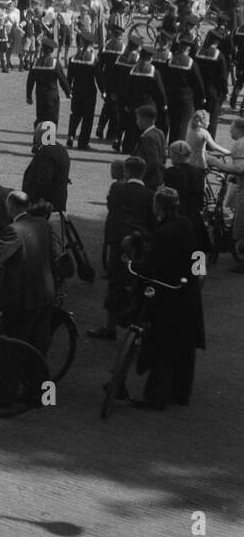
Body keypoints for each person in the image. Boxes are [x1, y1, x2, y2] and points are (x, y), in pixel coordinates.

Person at [0, 194, 59, 405]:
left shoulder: (14, 230)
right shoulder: (43, 224)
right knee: (38, 347)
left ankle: (4, 396)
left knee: (10, 347)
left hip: (21, 298)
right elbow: (51, 256)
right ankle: (44, 397)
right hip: (45, 294)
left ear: (11, 206)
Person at [127, 188, 203, 409]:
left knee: (161, 344)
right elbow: (197, 253)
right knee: (182, 345)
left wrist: (133, 265)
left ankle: (156, 397)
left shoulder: (164, 232)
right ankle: (179, 393)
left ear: (158, 206)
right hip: (187, 292)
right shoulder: (186, 223)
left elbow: (153, 266)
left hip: (168, 294)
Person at [93, 156, 152, 339]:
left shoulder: (117, 188)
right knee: (136, 283)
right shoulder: (150, 194)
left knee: (115, 282)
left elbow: (112, 208)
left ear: (126, 171)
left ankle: (110, 326)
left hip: (118, 242)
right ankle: (134, 327)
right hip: (139, 243)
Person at [22, 122, 71, 213]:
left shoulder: (46, 152)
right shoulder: (60, 149)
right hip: (57, 201)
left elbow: (43, 180)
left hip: (44, 207)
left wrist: (35, 202)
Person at [65, 33, 100, 150]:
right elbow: (98, 77)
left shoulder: (73, 58)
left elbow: (69, 77)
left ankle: (70, 135)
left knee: (75, 114)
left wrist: (68, 89)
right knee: (87, 118)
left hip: (77, 90)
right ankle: (83, 142)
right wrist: (104, 91)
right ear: (91, 45)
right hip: (89, 91)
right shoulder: (93, 59)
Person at [26, 39, 70, 128]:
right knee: (52, 118)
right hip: (51, 95)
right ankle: (49, 140)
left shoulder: (35, 63)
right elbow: (62, 79)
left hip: (40, 94)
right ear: (51, 50)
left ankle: (38, 139)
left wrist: (29, 96)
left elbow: (30, 81)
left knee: (40, 117)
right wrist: (68, 92)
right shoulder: (54, 63)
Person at [136, 105, 167, 191]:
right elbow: (163, 157)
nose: (137, 121)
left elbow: (153, 162)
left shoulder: (148, 137)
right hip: (159, 177)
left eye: (138, 119)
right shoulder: (160, 132)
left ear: (145, 120)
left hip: (149, 181)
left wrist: (140, 176)